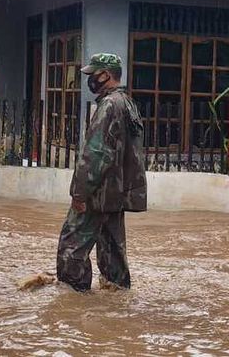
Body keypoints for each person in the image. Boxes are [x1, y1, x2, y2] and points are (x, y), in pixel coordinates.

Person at [56, 53, 147, 292]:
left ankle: (72, 299)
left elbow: (96, 153)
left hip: (97, 193)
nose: (90, 79)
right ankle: (116, 299)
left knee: (71, 246)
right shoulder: (126, 102)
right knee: (112, 250)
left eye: (93, 74)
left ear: (105, 75)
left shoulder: (108, 105)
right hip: (115, 194)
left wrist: (79, 194)